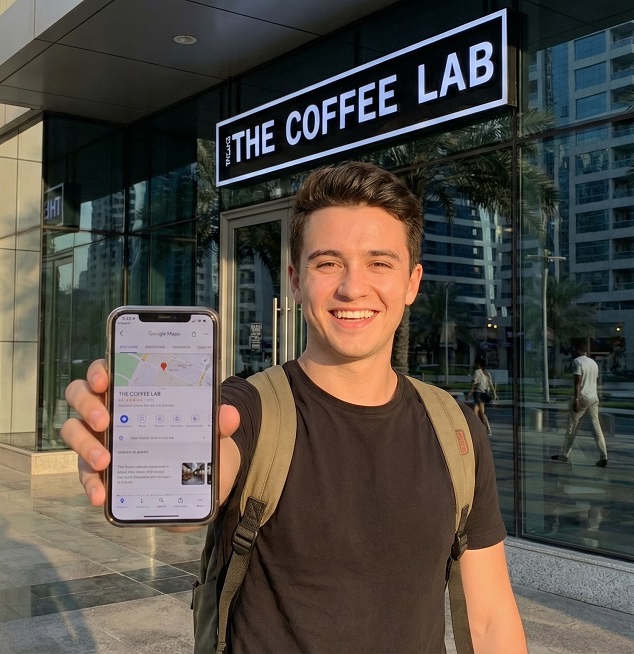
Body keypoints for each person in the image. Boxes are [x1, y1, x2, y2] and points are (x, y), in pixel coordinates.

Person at [61, 162, 527, 653]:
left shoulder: (455, 430)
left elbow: (491, 616)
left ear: (411, 283)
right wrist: (132, 448)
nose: (352, 287)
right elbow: (197, 490)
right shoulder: (248, 410)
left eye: (379, 263)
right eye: (328, 263)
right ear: (296, 279)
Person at [551, 343, 608, 467]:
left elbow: (577, 382)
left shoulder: (577, 362)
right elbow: (596, 381)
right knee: (596, 427)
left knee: (572, 426)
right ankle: (603, 456)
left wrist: (576, 400)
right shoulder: (594, 363)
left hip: (583, 397)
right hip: (594, 397)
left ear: (578, 350)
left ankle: (564, 455)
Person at [470, 360, 496, 434]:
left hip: (478, 393)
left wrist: (469, 393)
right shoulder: (487, 374)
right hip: (485, 393)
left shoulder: (477, 372)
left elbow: (473, 384)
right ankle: (480, 427)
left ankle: (487, 428)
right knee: (476, 411)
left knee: (481, 412)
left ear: (478, 364)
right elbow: (491, 385)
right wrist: (494, 393)